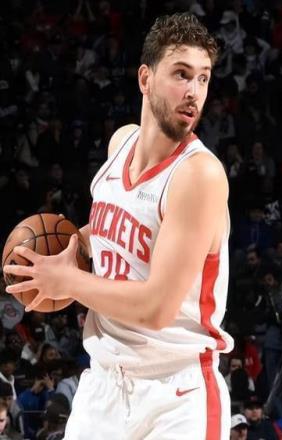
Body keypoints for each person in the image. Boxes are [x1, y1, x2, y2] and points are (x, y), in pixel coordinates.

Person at [4, 13, 233, 439]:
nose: (194, 91)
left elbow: (157, 308)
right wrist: (59, 256)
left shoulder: (199, 175)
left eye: (203, 78)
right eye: (181, 74)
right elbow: (110, 230)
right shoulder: (121, 142)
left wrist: (67, 281)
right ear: (145, 78)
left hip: (175, 395)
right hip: (104, 383)